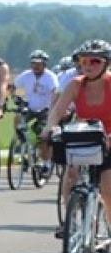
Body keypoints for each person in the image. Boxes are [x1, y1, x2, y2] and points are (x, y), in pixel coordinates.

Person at [44, 39, 111, 240]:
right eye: (83, 61)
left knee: (107, 187)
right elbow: (57, 111)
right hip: (86, 137)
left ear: (106, 64)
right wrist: (48, 129)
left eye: (94, 61)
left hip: (108, 138)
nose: (87, 65)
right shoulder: (75, 84)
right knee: (70, 173)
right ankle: (70, 220)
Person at [9, 50, 57, 146]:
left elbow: (55, 92)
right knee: (18, 118)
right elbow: (12, 86)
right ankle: (20, 140)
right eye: (33, 63)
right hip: (30, 108)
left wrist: (53, 107)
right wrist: (14, 97)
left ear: (44, 65)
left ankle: (38, 145)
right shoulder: (26, 75)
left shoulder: (50, 77)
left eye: (38, 64)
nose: (35, 66)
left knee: (41, 130)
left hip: (45, 109)